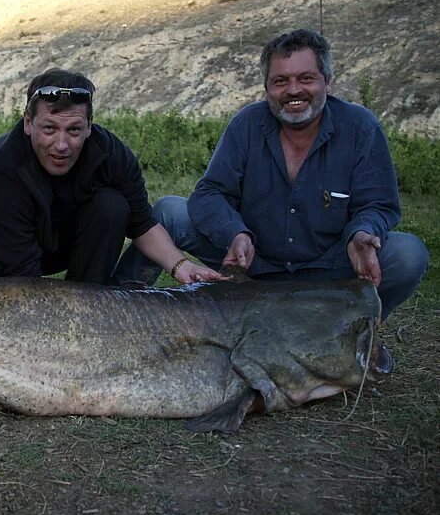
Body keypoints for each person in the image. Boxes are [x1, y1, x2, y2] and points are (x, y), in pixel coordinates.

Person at [133, 28, 428, 319]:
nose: (293, 90)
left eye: (306, 78)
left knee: (407, 253)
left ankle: (358, 333)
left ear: (328, 81)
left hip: (331, 267)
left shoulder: (361, 127)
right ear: (266, 87)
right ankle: (121, 300)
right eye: (280, 81)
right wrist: (235, 233)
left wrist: (362, 233)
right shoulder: (246, 124)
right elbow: (211, 192)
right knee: (169, 211)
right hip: (253, 264)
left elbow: (378, 204)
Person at [0, 68, 222, 286]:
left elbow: (142, 224)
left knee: (113, 206)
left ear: (89, 126)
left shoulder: (110, 152)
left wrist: (181, 266)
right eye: (49, 129)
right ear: (28, 124)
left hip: (67, 243)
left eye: (74, 129)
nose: (62, 144)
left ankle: (87, 299)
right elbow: (22, 268)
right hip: (2, 251)